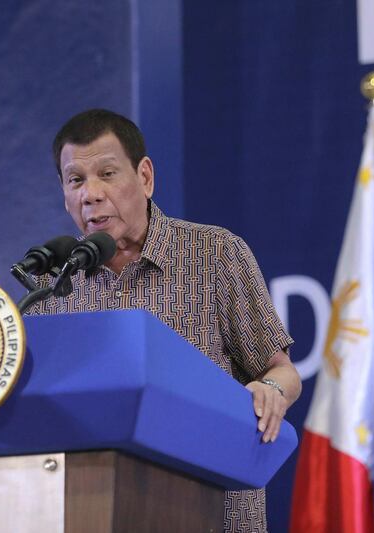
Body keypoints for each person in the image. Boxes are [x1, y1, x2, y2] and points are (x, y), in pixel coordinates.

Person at [29, 109, 302, 533]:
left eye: (107, 173)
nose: (91, 194)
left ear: (145, 176)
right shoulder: (52, 284)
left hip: (215, 512)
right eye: (76, 180)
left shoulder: (215, 254)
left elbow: (282, 371)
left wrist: (269, 390)